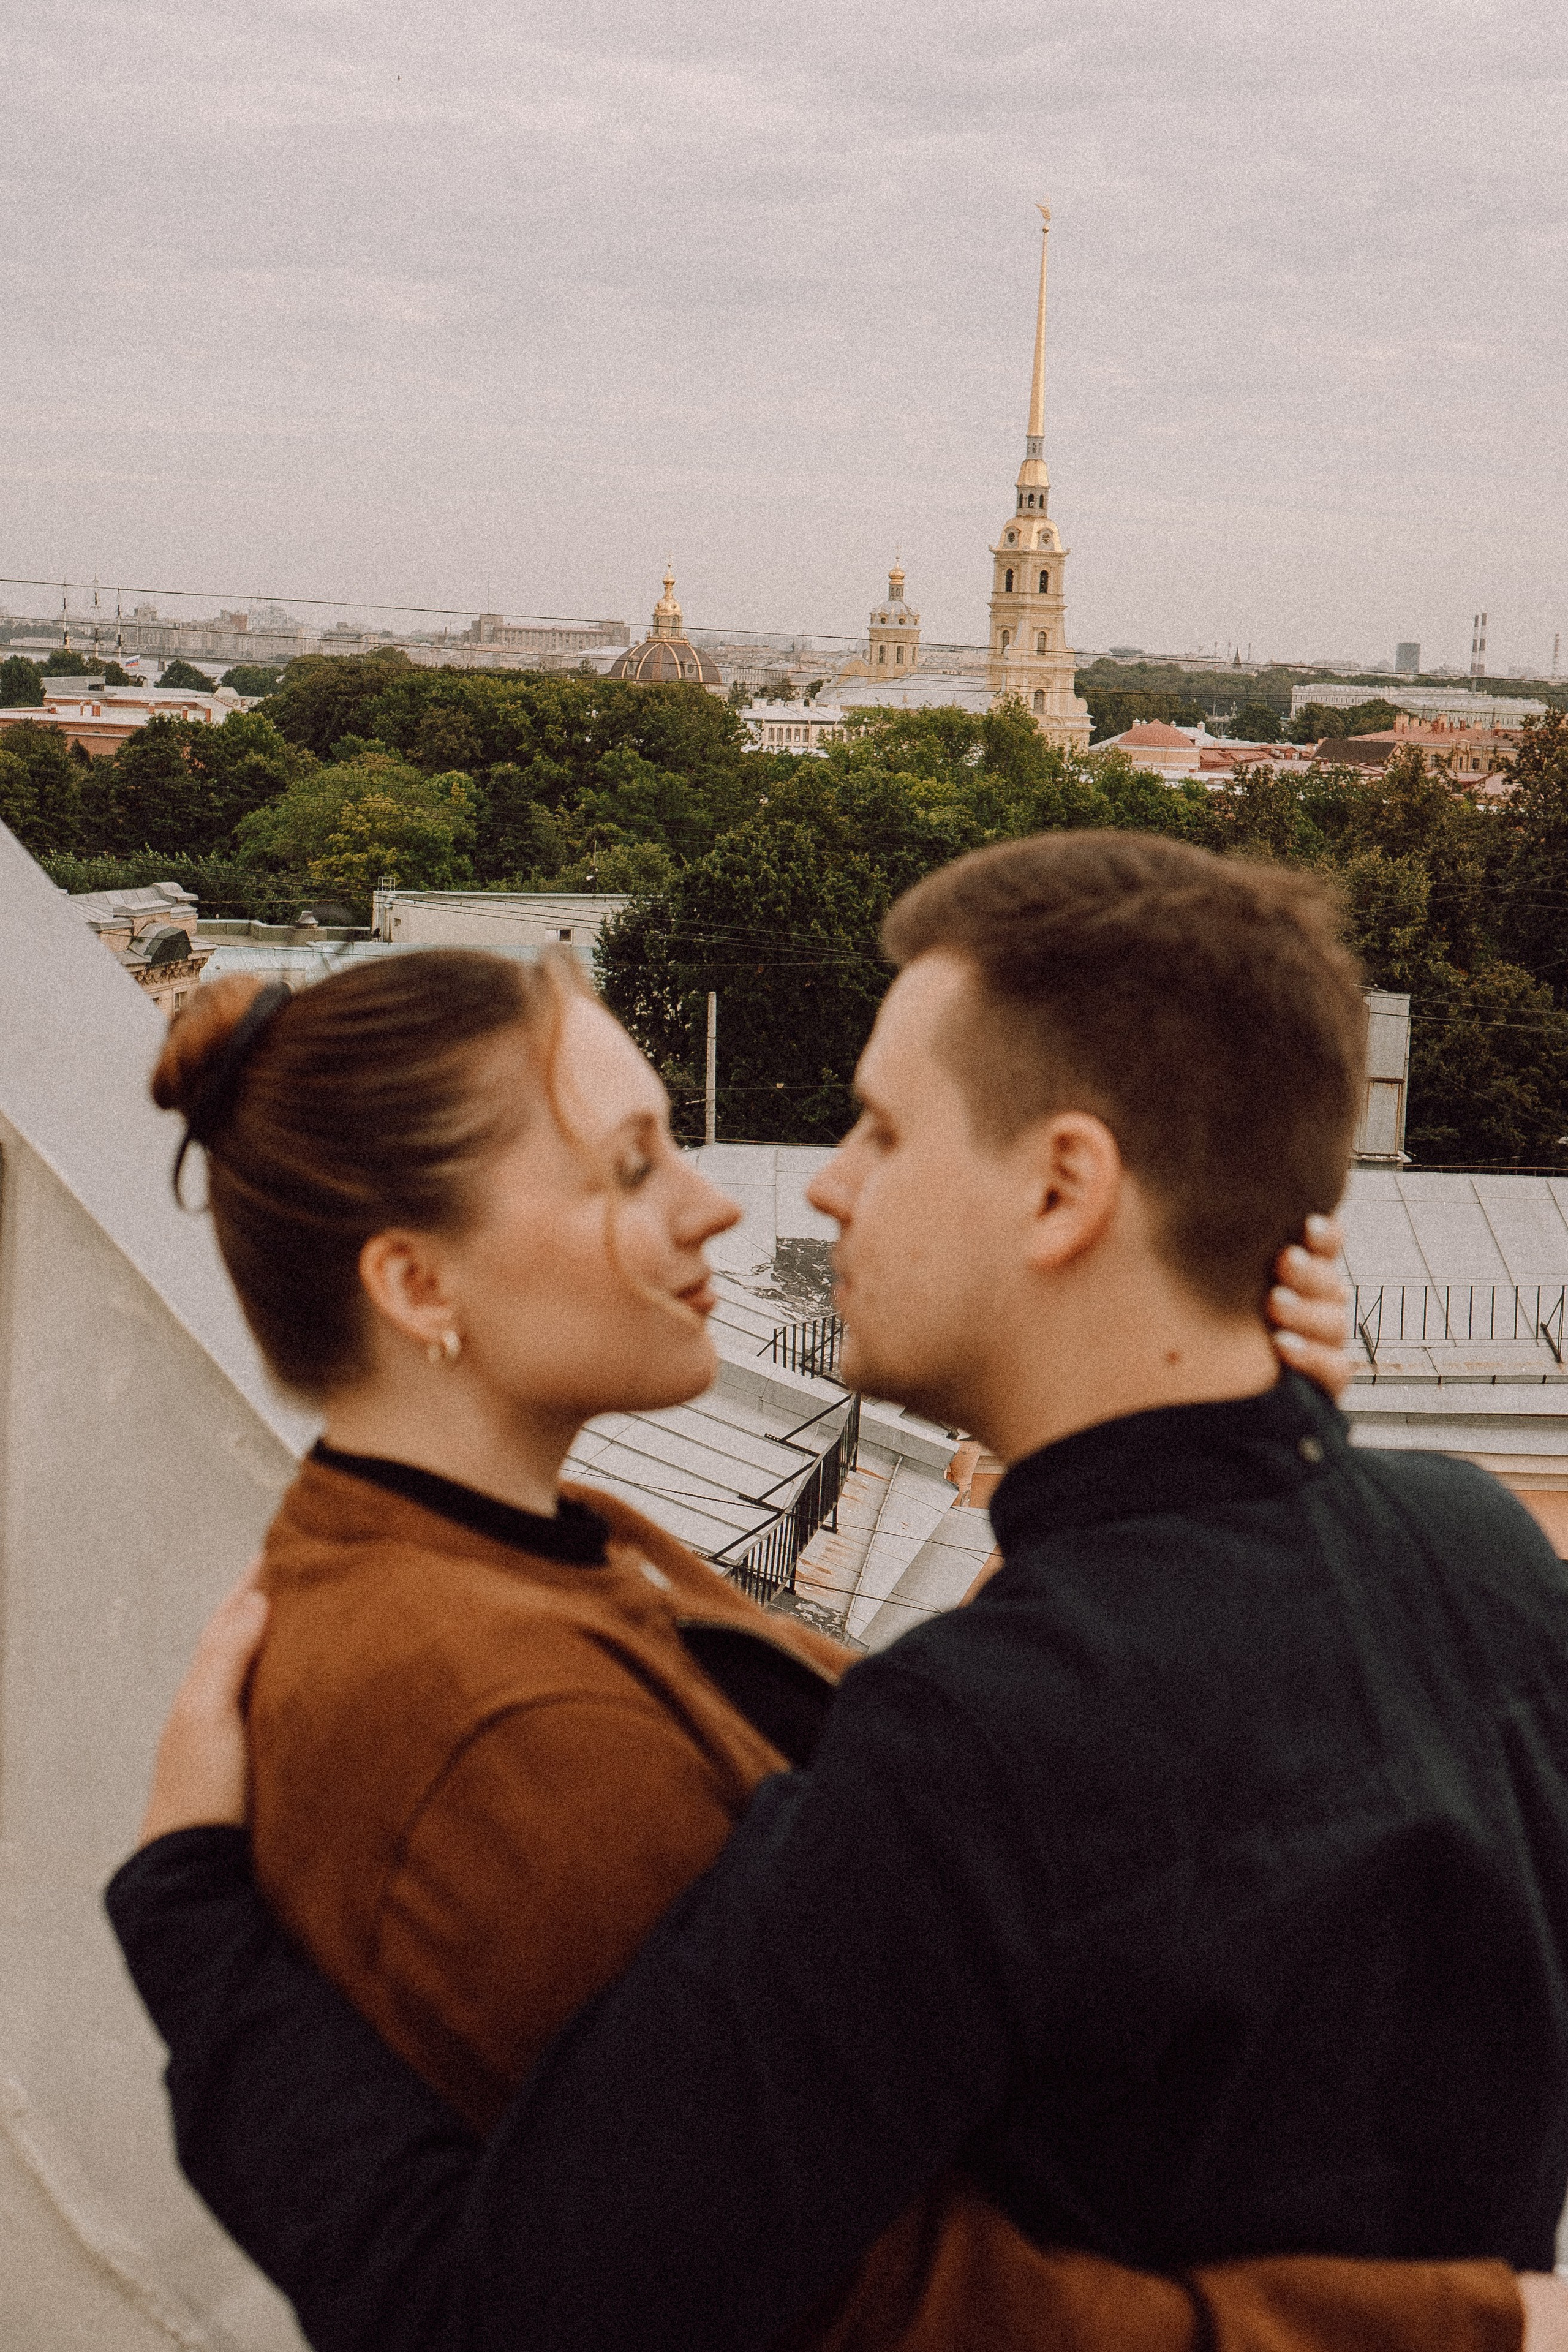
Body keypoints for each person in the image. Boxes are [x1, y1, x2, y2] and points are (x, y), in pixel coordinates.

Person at [107, 837, 1568, 2352]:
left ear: (1065, 1186)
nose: (786, 1192)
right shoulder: (1477, 1545)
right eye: (630, 1165)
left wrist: (191, 1935)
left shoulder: (688, 1607)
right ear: (413, 1285)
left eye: (874, 1127)